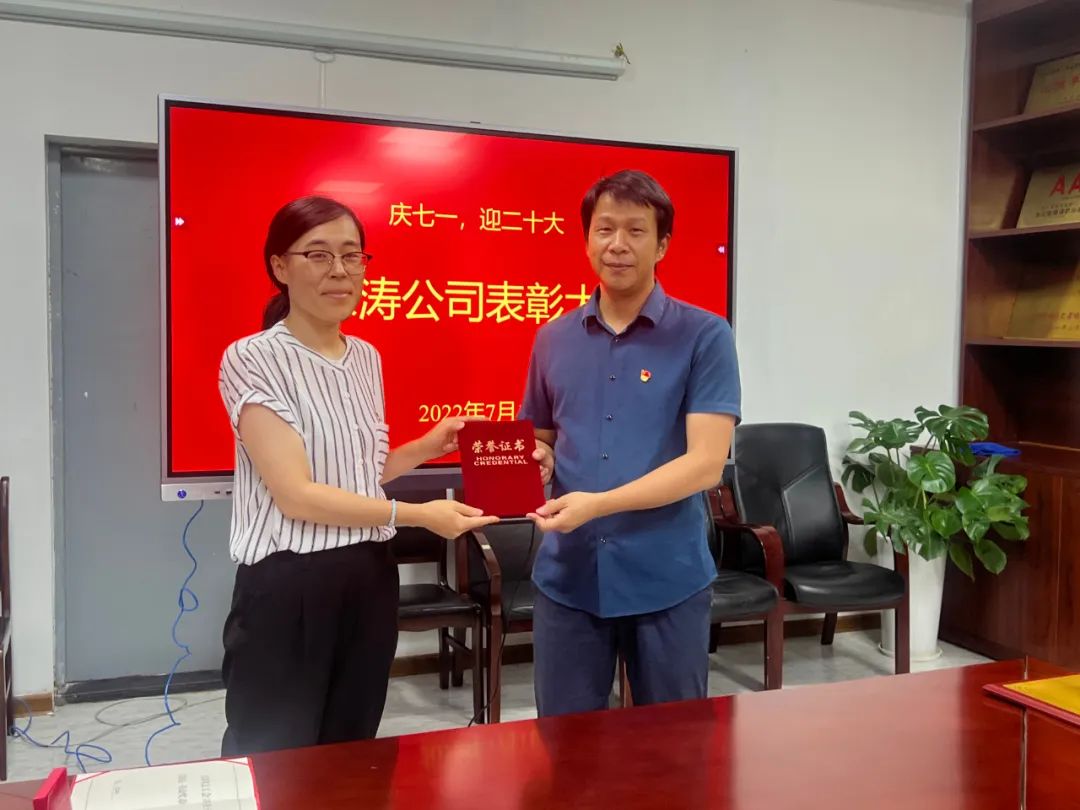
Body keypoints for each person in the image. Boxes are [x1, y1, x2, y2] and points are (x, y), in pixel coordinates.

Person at [217, 195, 509, 755]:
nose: (340, 271)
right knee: (272, 757)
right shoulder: (252, 357)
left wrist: (427, 446)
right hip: (289, 585)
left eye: (352, 256)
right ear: (280, 266)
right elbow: (297, 495)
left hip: (369, 575)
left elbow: (358, 474)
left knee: (351, 750)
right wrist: (419, 514)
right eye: (318, 255)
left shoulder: (365, 358)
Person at [520, 169, 741, 716]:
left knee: (673, 746)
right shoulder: (552, 339)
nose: (617, 244)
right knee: (566, 747)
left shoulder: (705, 335)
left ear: (661, 245)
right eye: (605, 229)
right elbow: (540, 439)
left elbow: (705, 464)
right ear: (587, 240)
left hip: (666, 576)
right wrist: (537, 458)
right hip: (568, 578)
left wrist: (599, 505)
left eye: (636, 231)